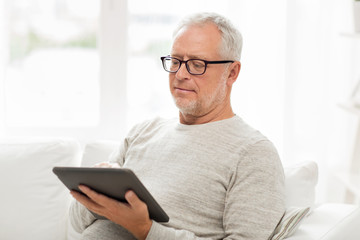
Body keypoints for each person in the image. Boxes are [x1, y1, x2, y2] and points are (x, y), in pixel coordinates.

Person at [69, 12, 285, 240]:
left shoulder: (254, 153)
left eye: (196, 64)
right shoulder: (143, 132)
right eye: (175, 61)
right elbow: (76, 222)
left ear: (231, 72)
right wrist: (94, 193)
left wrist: (146, 229)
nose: (180, 74)